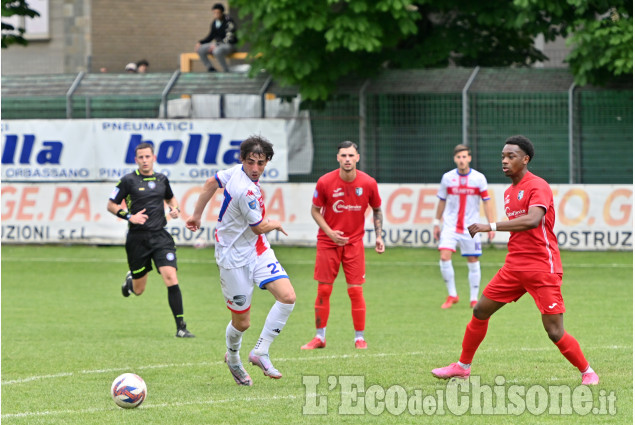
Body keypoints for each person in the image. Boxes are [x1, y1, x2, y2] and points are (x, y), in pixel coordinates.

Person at [431, 135, 599, 385]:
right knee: (480, 310)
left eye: (511, 156)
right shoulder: (510, 192)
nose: (505, 161)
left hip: (542, 267)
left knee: (554, 331)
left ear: (526, 159)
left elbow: (533, 220)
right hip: (514, 266)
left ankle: (587, 371)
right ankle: (463, 367)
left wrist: (490, 225)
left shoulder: (537, 185)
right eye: (502, 156)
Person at [185, 135, 296, 386]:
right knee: (242, 323)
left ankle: (260, 352)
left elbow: (210, 182)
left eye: (260, 162)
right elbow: (259, 227)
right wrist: (276, 223)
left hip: (257, 250)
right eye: (250, 162)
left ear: (267, 161)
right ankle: (233, 358)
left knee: (287, 297)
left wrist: (196, 215)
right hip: (232, 257)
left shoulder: (235, 172)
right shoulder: (245, 189)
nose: (255, 168)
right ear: (242, 160)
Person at [301, 141, 385, 351]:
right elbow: (315, 210)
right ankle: (319, 337)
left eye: (350, 155)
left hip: (354, 243)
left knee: (355, 292)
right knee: (323, 290)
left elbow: (376, 209)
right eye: (343, 155)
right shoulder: (325, 182)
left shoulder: (368, 183)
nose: (347, 159)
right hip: (328, 243)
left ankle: (359, 338)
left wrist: (379, 236)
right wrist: (329, 232)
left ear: (357, 158)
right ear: (337, 158)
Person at [107, 142, 195, 338]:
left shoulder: (162, 179)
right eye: (141, 157)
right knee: (139, 290)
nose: (145, 160)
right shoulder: (128, 181)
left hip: (160, 237)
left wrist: (175, 209)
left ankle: (181, 327)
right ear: (136, 159)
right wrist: (130, 217)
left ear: (153, 158)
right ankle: (131, 282)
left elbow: (171, 199)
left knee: (171, 277)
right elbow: (111, 205)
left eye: (148, 157)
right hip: (137, 239)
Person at [433, 144, 495, 309]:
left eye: (464, 157)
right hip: (450, 226)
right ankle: (452, 294)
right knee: (444, 256)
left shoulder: (479, 178)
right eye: (458, 157)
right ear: (455, 159)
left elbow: (486, 202)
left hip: (472, 227)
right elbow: (442, 201)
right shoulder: (447, 178)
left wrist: (490, 225)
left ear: (469, 158)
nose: (461, 160)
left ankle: (474, 299)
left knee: (473, 260)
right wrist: (436, 222)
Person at [195, 3, 238, 72]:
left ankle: (226, 69)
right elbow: (211, 35)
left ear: (222, 13)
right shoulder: (214, 23)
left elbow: (229, 37)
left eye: (218, 13)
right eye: (214, 13)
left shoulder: (229, 21)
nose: (216, 15)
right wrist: (200, 42)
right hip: (218, 45)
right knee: (200, 49)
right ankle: (210, 68)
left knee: (216, 51)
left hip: (229, 45)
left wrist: (217, 45)